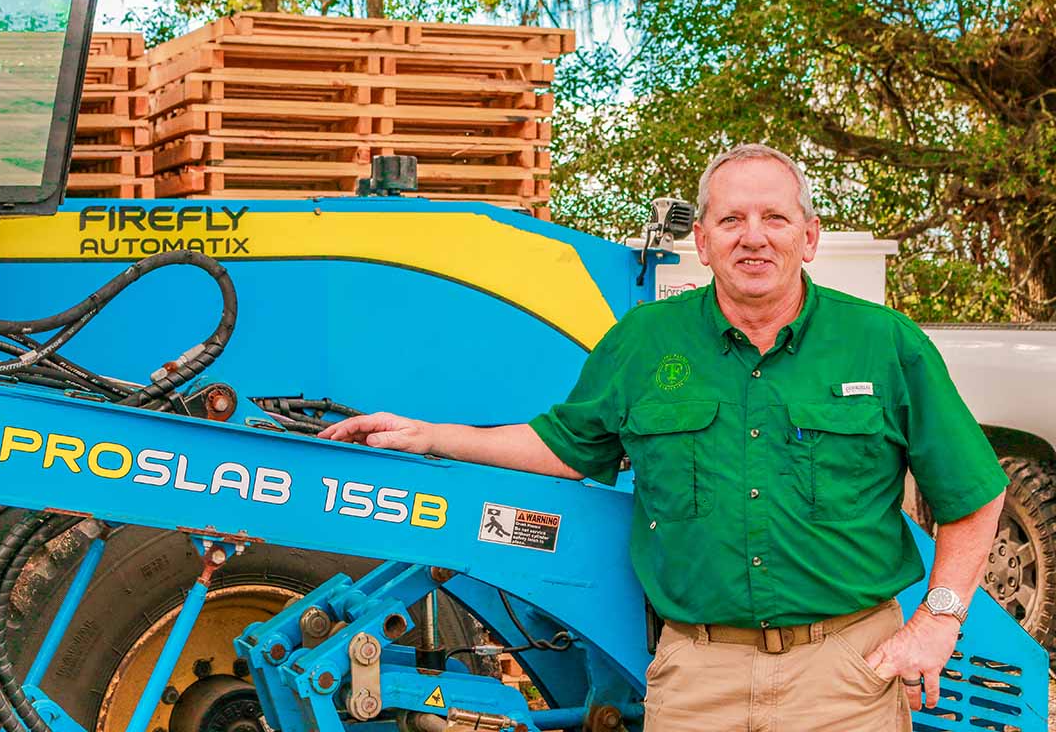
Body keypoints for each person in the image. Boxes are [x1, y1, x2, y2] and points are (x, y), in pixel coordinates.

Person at [320, 143, 1007, 730]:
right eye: (731, 219)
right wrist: (434, 436)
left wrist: (939, 620)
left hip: (847, 675)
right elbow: (566, 448)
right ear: (702, 241)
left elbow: (973, 492)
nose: (754, 236)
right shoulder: (645, 344)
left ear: (810, 236)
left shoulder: (883, 344)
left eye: (775, 217)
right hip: (696, 674)